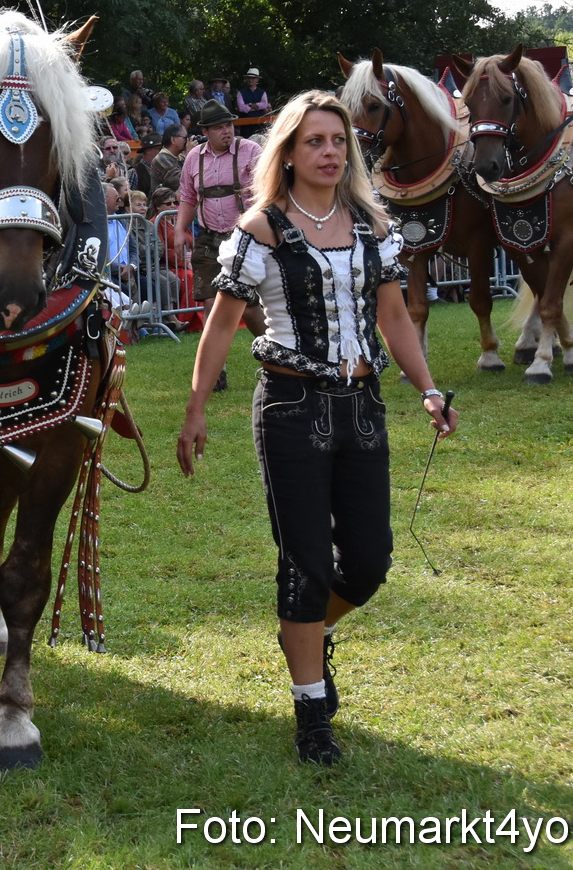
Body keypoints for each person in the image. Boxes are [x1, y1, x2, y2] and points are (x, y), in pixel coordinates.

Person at [176, 90, 459, 768]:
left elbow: (393, 317)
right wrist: (195, 408)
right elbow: (220, 322)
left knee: (368, 560)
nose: (330, 151)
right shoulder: (261, 228)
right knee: (303, 563)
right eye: (315, 141)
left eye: (338, 140)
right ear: (289, 153)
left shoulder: (371, 224)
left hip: (362, 406)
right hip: (291, 408)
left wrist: (428, 387)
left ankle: (305, 633)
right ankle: (311, 712)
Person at [177, 101, 261, 388]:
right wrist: (179, 229)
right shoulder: (193, 158)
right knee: (211, 305)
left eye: (229, 125)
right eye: (219, 127)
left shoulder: (251, 151)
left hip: (246, 236)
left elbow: (268, 192)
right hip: (209, 237)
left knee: (248, 306)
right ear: (205, 131)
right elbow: (187, 197)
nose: (227, 131)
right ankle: (216, 373)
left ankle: (276, 359)